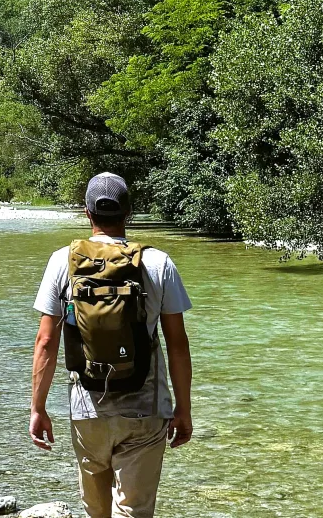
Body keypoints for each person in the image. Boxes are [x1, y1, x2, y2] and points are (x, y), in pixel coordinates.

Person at [29, 172, 193, 518]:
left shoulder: (62, 261)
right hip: (145, 408)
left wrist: (38, 408)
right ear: (128, 214)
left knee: (96, 511)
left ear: (87, 213)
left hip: (87, 407)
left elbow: (46, 341)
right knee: (133, 511)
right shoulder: (158, 262)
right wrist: (183, 408)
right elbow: (177, 343)